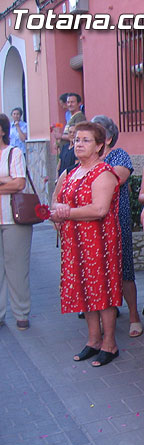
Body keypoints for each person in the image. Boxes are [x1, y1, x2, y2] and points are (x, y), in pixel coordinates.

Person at [51, 122, 122, 367]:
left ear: (100, 145)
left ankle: (110, 343)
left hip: (98, 241)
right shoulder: (72, 172)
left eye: (86, 140)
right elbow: (60, 201)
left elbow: (99, 209)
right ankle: (93, 340)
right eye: (77, 140)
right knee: (84, 289)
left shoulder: (103, 172)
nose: (79, 144)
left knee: (102, 290)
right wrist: (57, 214)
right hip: (75, 241)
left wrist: (67, 212)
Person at [92, 115, 142, 338]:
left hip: (116, 220)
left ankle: (133, 316)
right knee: (99, 270)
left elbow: (118, 178)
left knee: (125, 269)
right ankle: (106, 314)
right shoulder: (91, 160)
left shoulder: (118, 155)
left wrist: (93, 174)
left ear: (109, 137)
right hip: (93, 223)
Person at [0, 114, 32, 330]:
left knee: (17, 267)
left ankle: (21, 312)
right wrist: (5, 180)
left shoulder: (13, 153)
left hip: (13, 218)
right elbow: (11, 182)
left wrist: (8, 182)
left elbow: (19, 183)